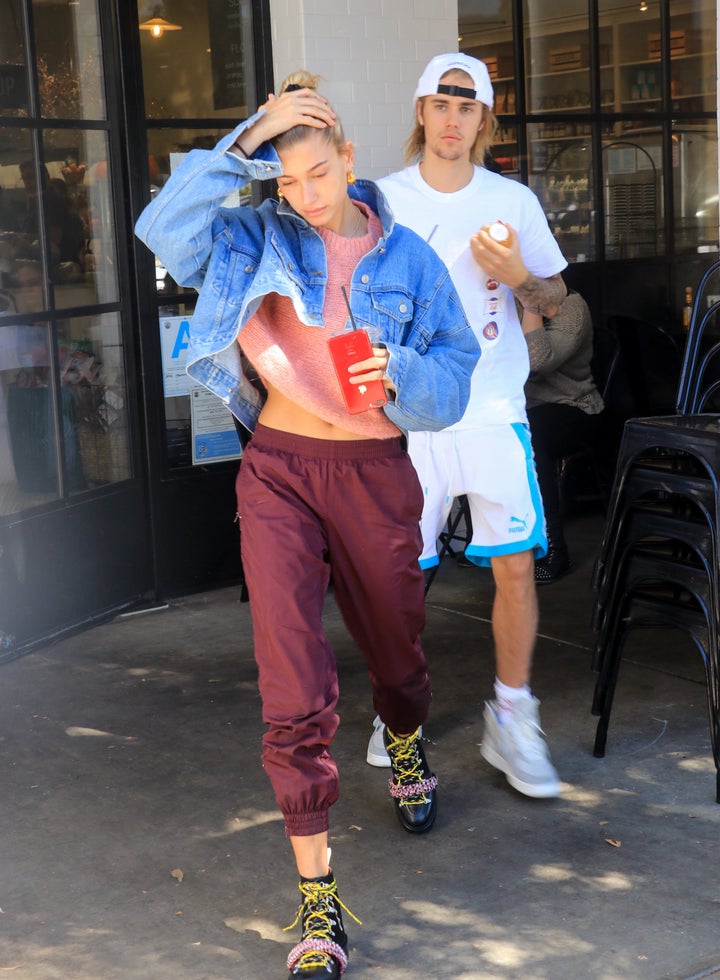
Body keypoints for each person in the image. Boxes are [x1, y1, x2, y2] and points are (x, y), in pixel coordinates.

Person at [135, 70, 480, 980]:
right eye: (287, 180)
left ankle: (404, 737)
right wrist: (248, 138)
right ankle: (318, 900)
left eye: (319, 173)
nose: (307, 195)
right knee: (292, 678)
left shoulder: (406, 259)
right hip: (279, 472)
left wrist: (401, 369)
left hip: (372, 472)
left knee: (396, 650)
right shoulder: (252, 235)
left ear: (351, 161)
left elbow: (457, 365)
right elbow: (162, 229)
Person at [366, 53, 567, 800]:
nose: (452, 118)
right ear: (421, 110)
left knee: (515, 565)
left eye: (467, 105)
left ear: (484, 118)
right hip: (409, 418)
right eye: (440, 103)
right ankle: (398, 715)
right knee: (400, 575)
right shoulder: (378, 199)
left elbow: (556, 301)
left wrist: (518, 277)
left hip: (491, 411)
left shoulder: (512, 200)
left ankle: (511, 716)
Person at [522, 291, 605, 583]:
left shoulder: (572, 306)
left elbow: (535, 360)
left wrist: (529, 300)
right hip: (526, 409)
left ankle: (555, 550)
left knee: (530, 437)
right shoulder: (505, 306)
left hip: (574, 406)